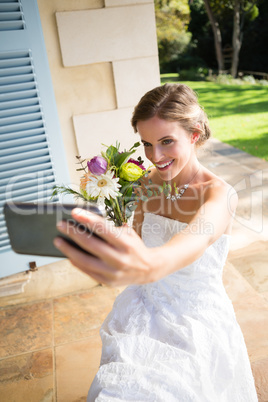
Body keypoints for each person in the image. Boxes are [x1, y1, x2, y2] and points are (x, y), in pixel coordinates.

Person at [54, 84, 258, 401]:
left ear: (194, 133)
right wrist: (103, 243)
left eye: (166, 142)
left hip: (194, 319)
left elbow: (195, 239)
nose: (155, 156)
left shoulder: (218, 195)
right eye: (147, 144)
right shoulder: (145, 185)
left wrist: (149, 266)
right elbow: (135, 239)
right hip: (143, 306)